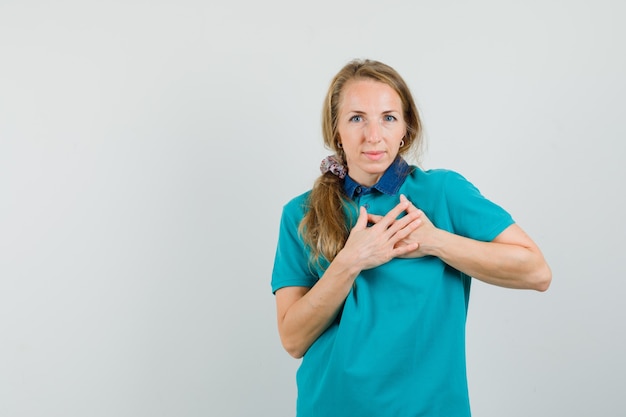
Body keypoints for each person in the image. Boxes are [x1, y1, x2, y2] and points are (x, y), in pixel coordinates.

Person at [270, 58, 552, 417]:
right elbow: (293, 340)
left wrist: (433, 241)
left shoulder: (442, 192)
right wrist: (351, 260)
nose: (373, 135)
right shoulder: (301, 213)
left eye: (388, 118)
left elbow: (536, 271)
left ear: (406, 129)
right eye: (357, 118)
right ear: (336, 130)